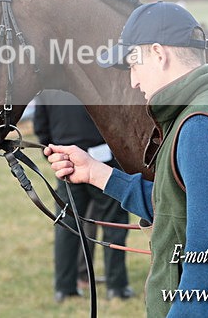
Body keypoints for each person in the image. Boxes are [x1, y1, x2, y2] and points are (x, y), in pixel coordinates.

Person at [44, 1, 208, 317]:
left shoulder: (201, 126)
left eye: (133, 65)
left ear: (158, 54)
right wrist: (96, 173)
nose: (133, 81)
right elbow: (177, 207)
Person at [33, 90, 134, 303]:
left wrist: (56, 153)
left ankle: (65, 288)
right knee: (114, 224)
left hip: (68, 162)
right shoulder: (94, 81)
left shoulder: (48, 88)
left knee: (67, 226)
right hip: (102, 163)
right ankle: (116, 287)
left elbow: (41, 129)